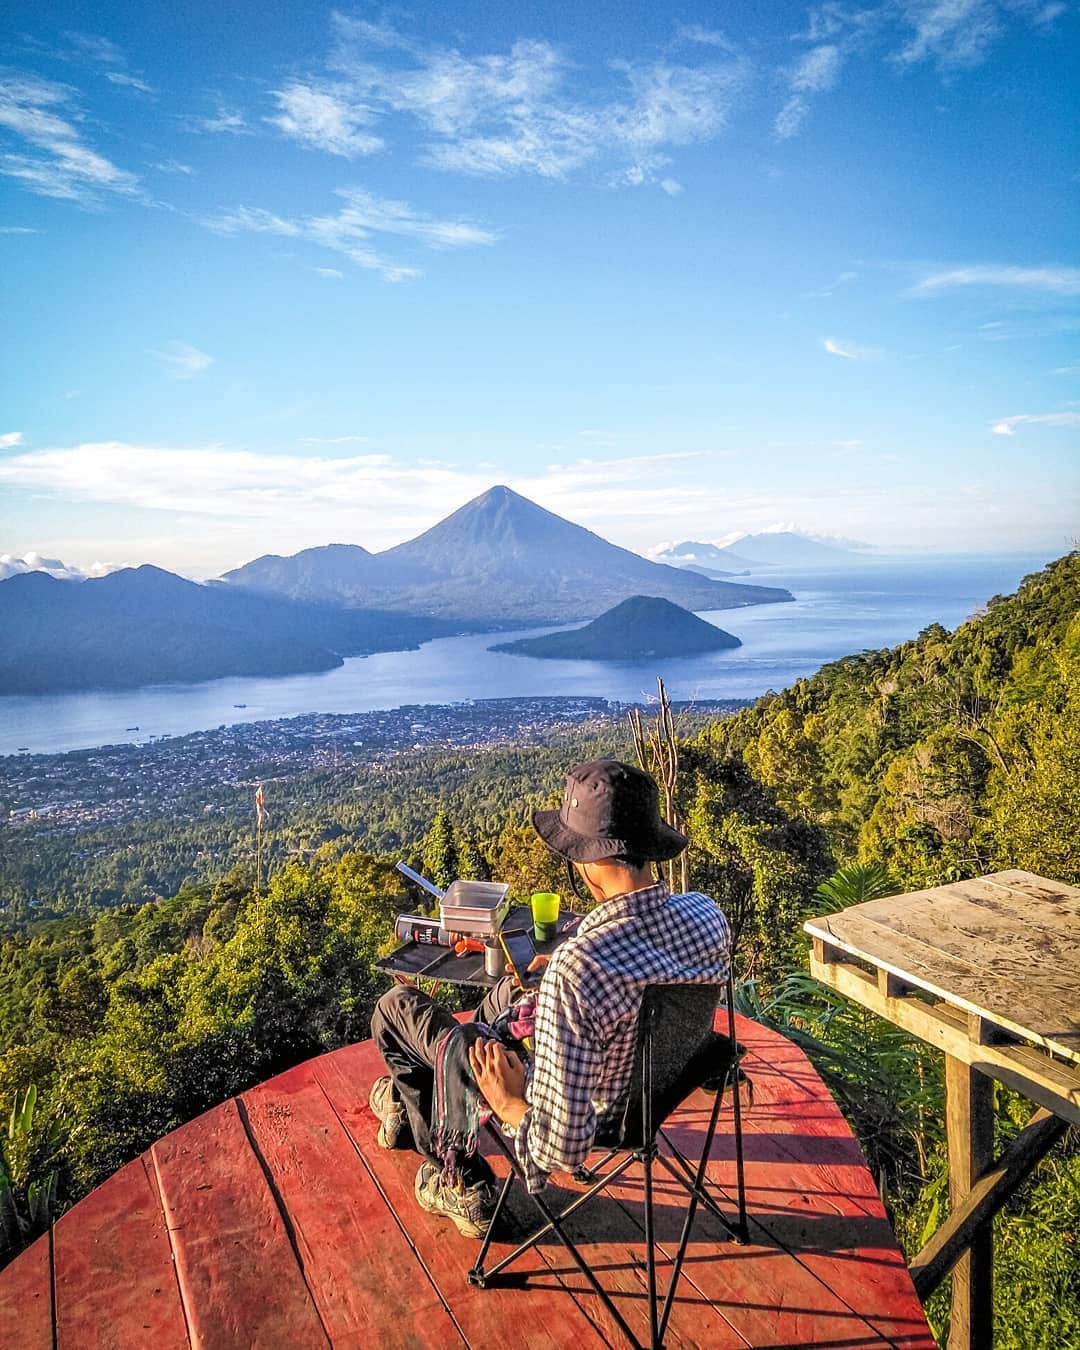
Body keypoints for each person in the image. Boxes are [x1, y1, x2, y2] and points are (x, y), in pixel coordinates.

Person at [369, 758, 732, 1239]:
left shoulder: (577, 970)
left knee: (396, 1007)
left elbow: (560, 1150)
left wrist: (508, 1101)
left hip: (588, 1106)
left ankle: (460, 1177)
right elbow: (638, 941)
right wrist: (567, 953)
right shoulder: (706, 915)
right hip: (653, 1082)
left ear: (589, 860)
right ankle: (409, 1100)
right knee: (503, 995)